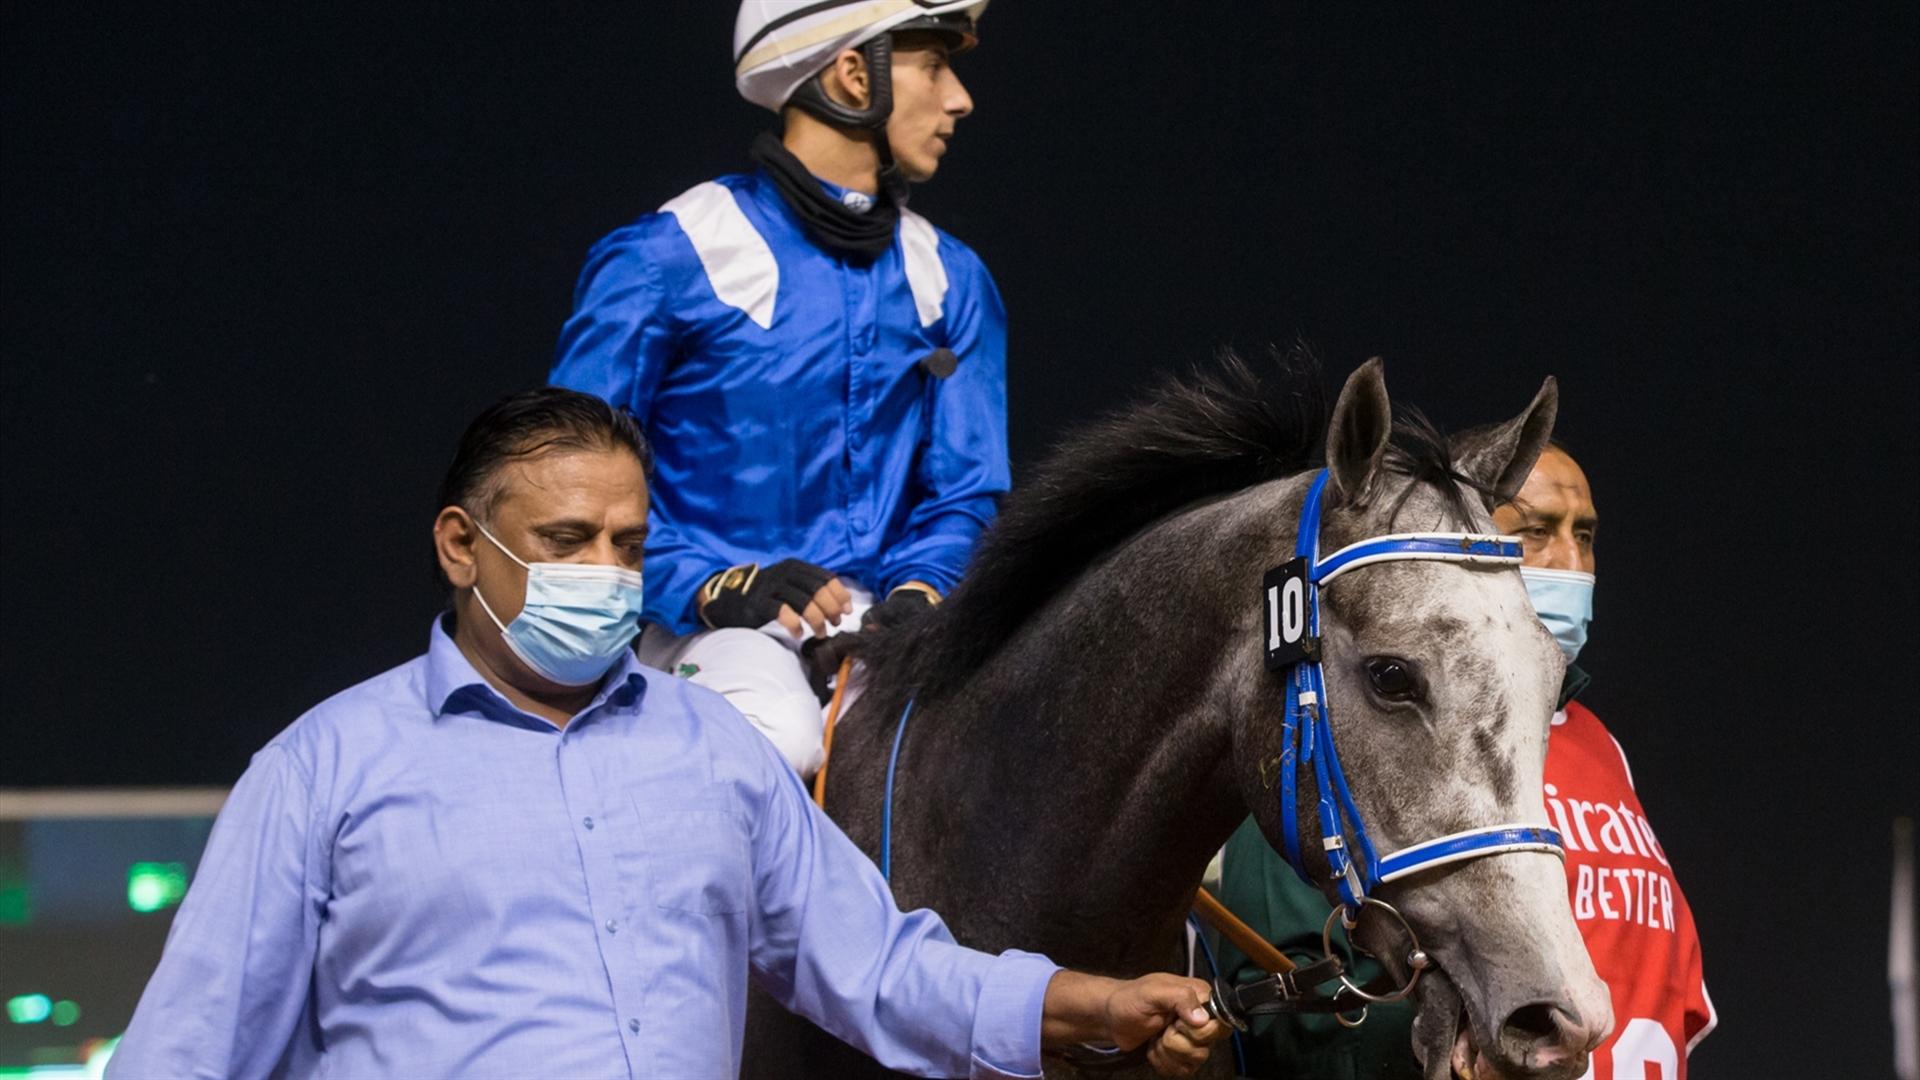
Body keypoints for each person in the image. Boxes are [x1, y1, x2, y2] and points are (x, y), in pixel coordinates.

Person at [105, 388, 1225, 1080]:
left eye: (628, 546)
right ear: (459, 545)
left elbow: (881, 975)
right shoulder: (323, 770)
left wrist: (1095, 1004)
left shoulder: (713, 751)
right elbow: (189, 1054)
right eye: (566, 538)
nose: (605, 574)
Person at [551, 0, 1005, 778]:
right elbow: (569, 486)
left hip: (880, 631)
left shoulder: (953, 280)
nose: (960, 97)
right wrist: (712, 584)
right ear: (853, 72)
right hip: (698, 632)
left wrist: (924, 589)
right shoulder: (666, 258)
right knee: (779, 739)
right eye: (933, 66)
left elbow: (966, 492)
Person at [1213, 443, 1715, 1079]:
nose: (1570, 563)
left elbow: (1670, 994)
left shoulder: (1601, 747)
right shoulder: (1339, 736)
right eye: (1533, 533)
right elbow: (1294, 1018)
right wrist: (1447, 1033)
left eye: (1583, 535)